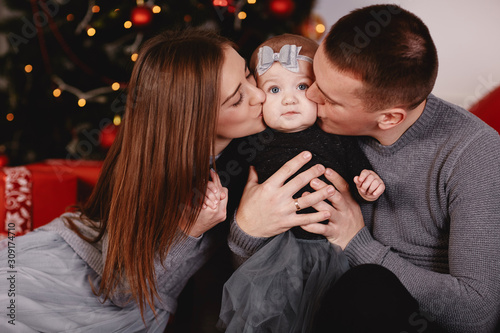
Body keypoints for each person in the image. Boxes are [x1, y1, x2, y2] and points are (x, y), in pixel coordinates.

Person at [227, 4, 500, 333]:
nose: (309, 96)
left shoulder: (474, 153)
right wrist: (247, 231)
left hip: (405, 313)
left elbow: (477, 313)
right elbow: (263, 282)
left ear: (388, 118)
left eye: (327, 97)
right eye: (313, 79)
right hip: (322, 300)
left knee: (368, 289)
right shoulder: (316, 131)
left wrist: (356, 243)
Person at [0, 28, 277, 332]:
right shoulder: (160, 169)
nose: (260, 95)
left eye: (249, 75)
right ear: (193, 120)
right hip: (78, 287)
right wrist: (189, 231)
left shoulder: (254, 146)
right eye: (237, 99)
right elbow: (123, 290)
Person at [218, 34, 385, 332]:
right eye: (273, 89)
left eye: (302, 86)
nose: (289, 99)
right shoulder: (252, 142)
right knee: (272, 313)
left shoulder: (337, 135)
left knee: (333, 310)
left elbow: (358, 171)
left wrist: (367, 185)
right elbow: (233, 186)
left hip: (331, 248)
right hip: (275, 252)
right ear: (258, 96)